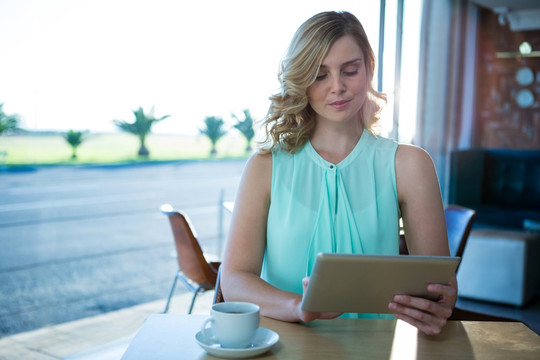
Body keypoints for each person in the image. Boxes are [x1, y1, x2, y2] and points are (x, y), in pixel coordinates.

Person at [221, 11, 457, 336]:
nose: (338, 87)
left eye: (350, 70)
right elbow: (234, 280)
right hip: (282, 351)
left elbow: (442, 286)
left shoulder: (410, 164)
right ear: (301, 80)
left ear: (369, 69)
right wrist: (298, 307)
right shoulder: (264, 167)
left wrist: (439, 303)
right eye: (319, 75)